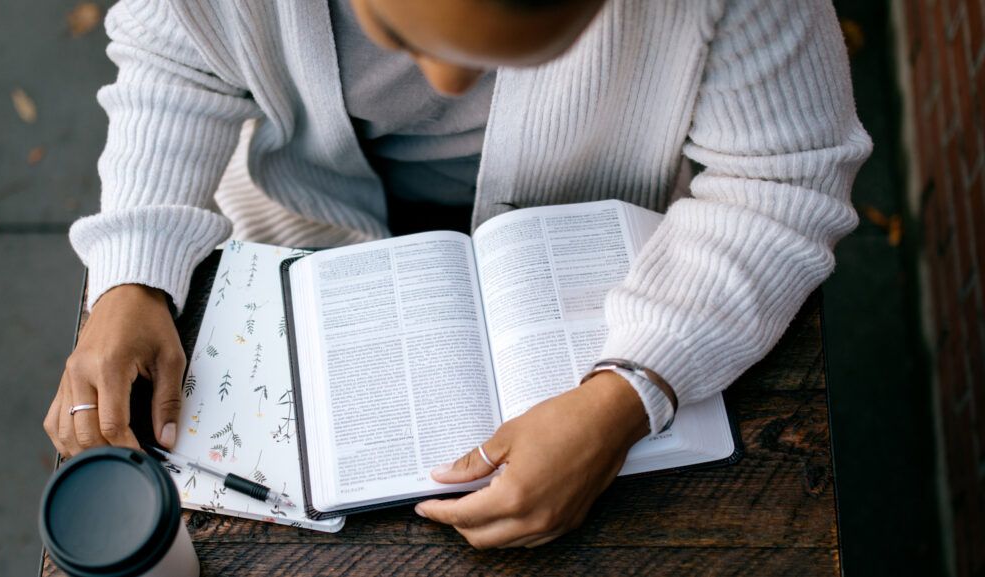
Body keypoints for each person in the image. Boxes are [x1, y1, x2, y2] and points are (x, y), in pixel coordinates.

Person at [44, 0, 871, 549]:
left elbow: (783, 180)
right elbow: (178, 56)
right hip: (300, 228)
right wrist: (133, 275)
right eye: (401, 39)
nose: (447, 87)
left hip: (601, 266)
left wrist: (633, 390)